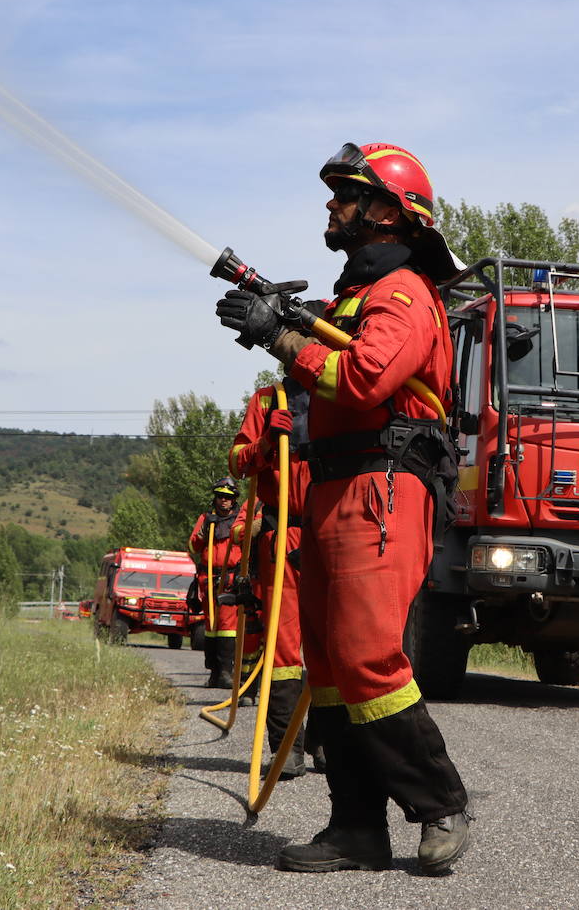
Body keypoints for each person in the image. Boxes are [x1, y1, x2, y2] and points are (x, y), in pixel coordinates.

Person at [215, 142, 471, 876]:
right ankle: (356, 828)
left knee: (365, 654)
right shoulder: (357, 299)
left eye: (346, 196)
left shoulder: (403, 295)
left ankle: (440, 802)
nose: (331, 206)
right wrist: (284, 324)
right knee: (326, 665)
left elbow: (361, 378)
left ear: (388, 212)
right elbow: (326, 364)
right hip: (336, 490)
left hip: (383, 487)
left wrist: (280, 335)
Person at [229, 375, 312, 780]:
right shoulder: (266, 401)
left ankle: (330, 745)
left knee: (338, 643)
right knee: (283, 649)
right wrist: (263, 446)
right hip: (283, 533)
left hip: (336, 531)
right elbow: (236, 460)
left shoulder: (344, 394)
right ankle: (286, 748)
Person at [188, 477, 244, 689]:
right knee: (211, 626)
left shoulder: (240, 521)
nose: (223, 501)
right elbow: (193, 547)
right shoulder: (205, 518)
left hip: (229, 578)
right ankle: (213, 672)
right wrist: (204, 532)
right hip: (207, 579)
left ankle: (226, 672)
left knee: (228, 626)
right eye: (220, 497)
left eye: (228, 498)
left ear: (234, 500)